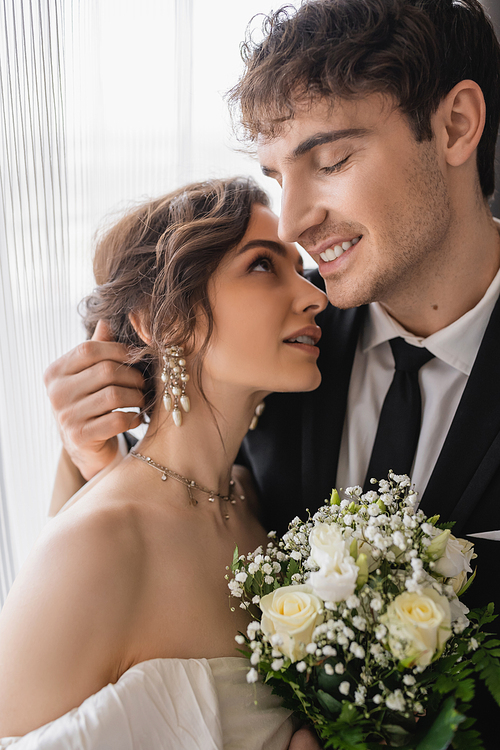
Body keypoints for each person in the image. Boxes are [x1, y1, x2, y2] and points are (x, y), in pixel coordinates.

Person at [43, 0, 500, 746]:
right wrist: (84, 460)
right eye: (275, 175)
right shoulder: (275, 360)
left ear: (454, 126)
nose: (291, 224)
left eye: (331, 161)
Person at [0, 176, 328, 749]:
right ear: (164, 321)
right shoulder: (99, 544)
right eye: (261, 266)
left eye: (299, 269)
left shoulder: (252, 501)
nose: (313, 296)